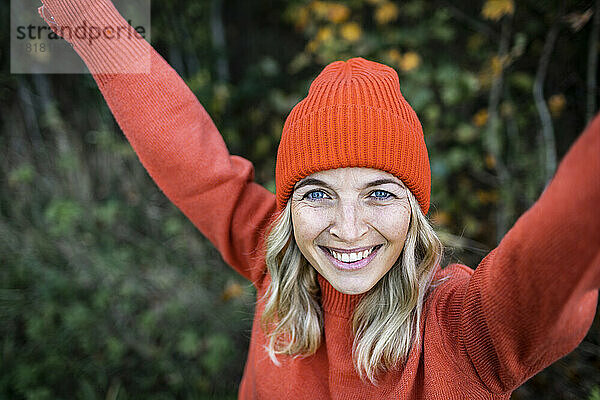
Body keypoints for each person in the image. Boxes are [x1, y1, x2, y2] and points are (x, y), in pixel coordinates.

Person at [38, 1, 600, 398]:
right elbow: (179, 142)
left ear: (414, 208)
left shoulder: (473, 331)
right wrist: (86, 16)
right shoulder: (274, 261)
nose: (348, 228)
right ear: (289, 209)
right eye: (317, 194)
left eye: (379, 192)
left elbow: (571, 228)